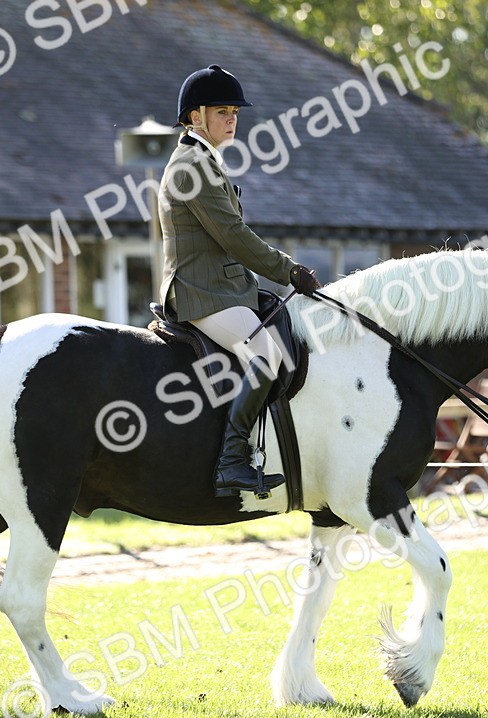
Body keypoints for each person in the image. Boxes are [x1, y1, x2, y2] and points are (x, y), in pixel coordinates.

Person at [158, 64, 321, 498]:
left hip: (223, 289)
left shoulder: (205, 159)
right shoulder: (192, 166)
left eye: (235, 111)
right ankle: (232, 461)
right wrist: (288, 270)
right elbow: (232, 235)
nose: (232, 119)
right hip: (202, 293)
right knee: (267, 354)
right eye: (222, 111)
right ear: (195, 117)